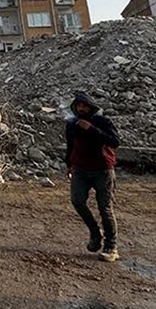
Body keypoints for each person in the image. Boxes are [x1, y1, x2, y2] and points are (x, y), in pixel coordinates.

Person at [65, 91, 121, 262]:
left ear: (91, 107)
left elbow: (115, 141)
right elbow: (70, 145)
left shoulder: (102, 122)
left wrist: (92, 129)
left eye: (84, 106)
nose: (81, 109)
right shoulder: (72, 124)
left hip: (102, 170)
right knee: (77, 201)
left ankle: (111, 247)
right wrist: (69, 164)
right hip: (80, 169)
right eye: (78, 106)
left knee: (105, 208)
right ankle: (95, 233)